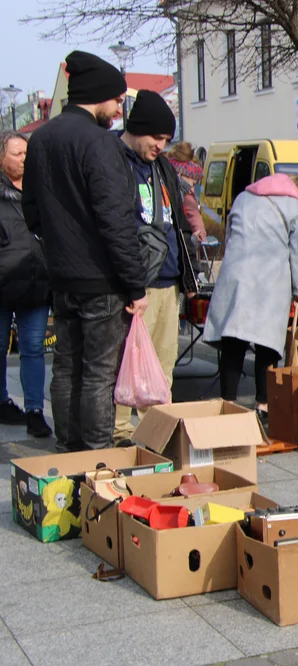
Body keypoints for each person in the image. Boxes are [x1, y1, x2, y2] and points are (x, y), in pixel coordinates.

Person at [22, 50, 146, 452]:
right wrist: (136, 285)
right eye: (118, 99)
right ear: (100, 96)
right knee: (97, 374)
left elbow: (33, 213)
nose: (119, 107)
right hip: (101, 280)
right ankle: (95, 460)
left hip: (62, 276)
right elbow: (116, 220)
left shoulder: (39, 139)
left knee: (66, 368)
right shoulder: (99, 143)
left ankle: (67, 450)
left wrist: (60, 244)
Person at [113, 90, 199, 445]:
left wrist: (188, 274)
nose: (160, 146)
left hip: (168, 280)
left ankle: (157, 427)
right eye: (156, 138)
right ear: (137, 128)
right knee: (127, 364)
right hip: (136, 282)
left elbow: (179, 220)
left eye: (166, 140)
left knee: (162, 364)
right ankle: (120, 431)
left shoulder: (161, 166)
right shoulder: (116, 161)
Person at [201, 174, 298, 421]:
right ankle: (263, 405)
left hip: (236, 276)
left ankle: (227, 402)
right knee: (268, 346)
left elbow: (229, 237)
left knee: (233, 341)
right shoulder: (294, 208)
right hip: (270, 280)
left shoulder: (243, 198)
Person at [0, 131, 52, 437]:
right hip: (4, 283)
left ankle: (34, 410)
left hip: (37, 283)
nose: (24, 158)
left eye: (26, 153)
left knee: (33, 349)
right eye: (17, 153)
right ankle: (3, 402)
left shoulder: (43, 189)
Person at [166, 141, 207, 243]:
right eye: (192, 182)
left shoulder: (168, 188)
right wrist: (199, 235)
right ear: (180, 174)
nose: (192, 187)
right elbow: (194, 218)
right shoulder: (185, 195)